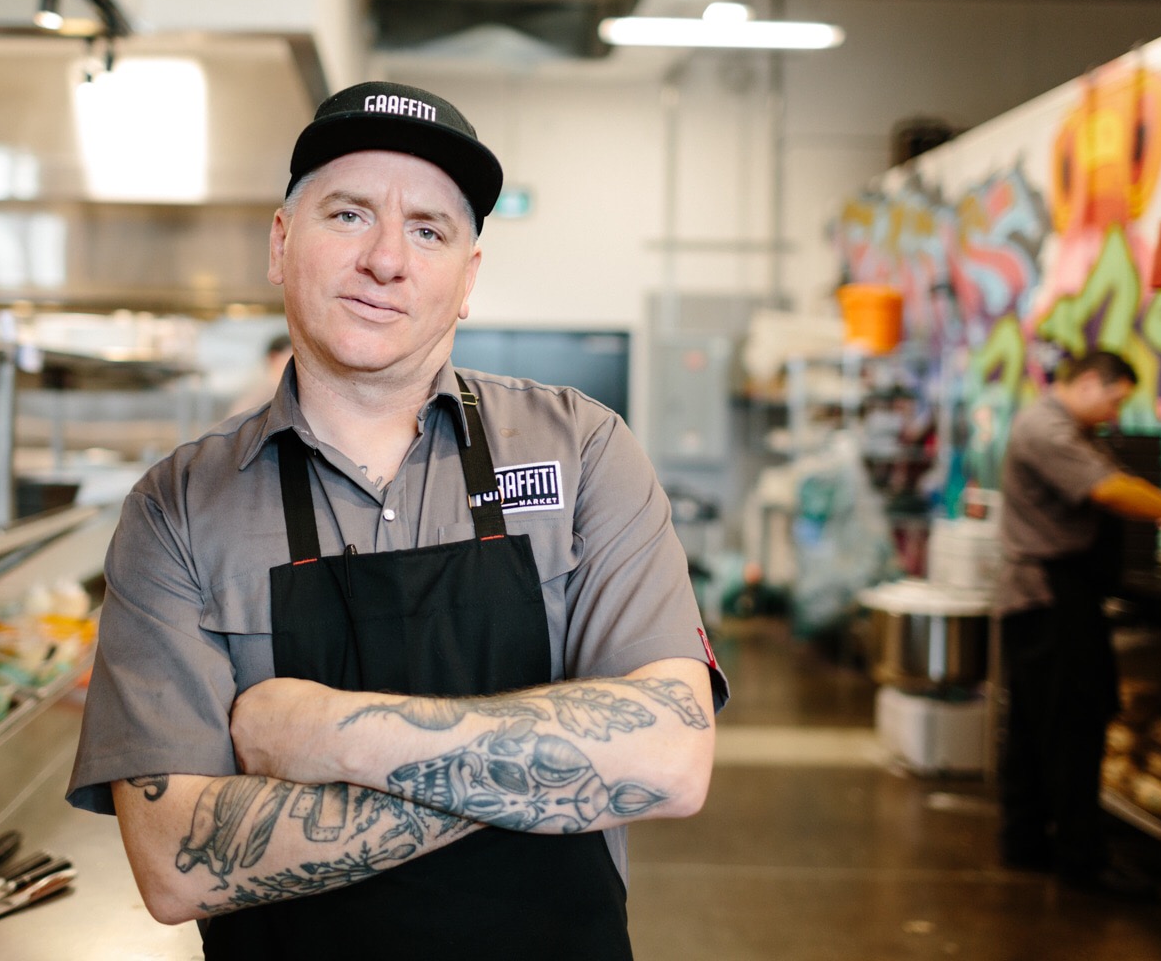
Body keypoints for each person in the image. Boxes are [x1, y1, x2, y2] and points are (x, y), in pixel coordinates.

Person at [67, 80, 728, 960]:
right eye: (348, 215)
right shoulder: (179, 509)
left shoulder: (584, 450)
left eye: (429, 230)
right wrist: (546, 770)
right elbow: (176, 865)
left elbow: (669, 761)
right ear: (280, 242)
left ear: (468, 279)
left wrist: (318, 732)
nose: (388, 259)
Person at [996, 349, 1161, 895]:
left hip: (1047, 599)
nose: (1116, 413)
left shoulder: (1064, 428)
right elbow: (1107, 488)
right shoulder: (1046, 429)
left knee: (1036, 726)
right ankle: (1080, 859)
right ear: (1093, 383)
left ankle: (1027, 844)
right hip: (1050, 598)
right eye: (1117, 399)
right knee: (1071, 726)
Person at [227, 332, 293, 417]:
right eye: (290, 356)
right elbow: (237, 418)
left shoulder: (276, 385)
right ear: (274, 356)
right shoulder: (263, 386)